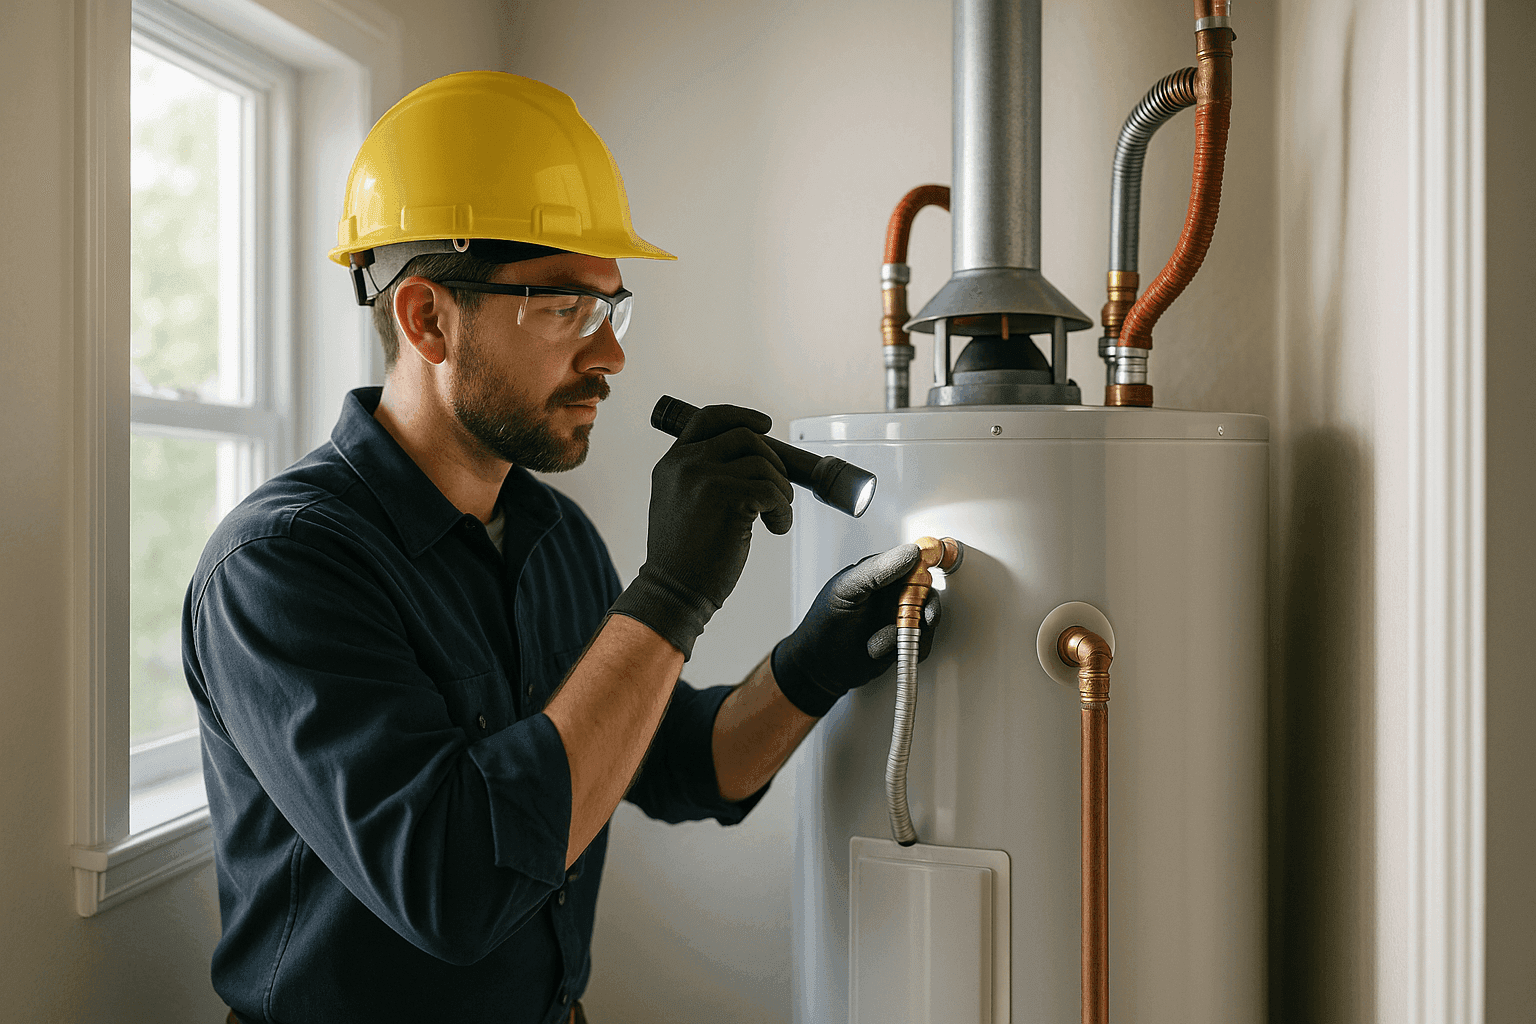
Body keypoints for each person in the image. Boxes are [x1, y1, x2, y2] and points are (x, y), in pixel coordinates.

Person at [183, 71, 939, 1024]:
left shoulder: (550, 534)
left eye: (613, 307)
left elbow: (677, 763)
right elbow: (457, 890)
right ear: (427, 318)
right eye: (562, 308)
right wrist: (670, 594)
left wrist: (817, 660)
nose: (611, 354)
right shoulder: (280, 568)